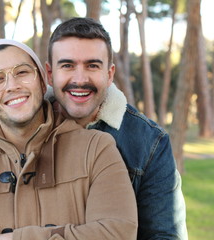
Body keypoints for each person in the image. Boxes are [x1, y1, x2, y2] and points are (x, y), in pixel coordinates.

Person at [0, 39, 138, 240]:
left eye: (22, 72)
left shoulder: (96, 149)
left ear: (42, 82)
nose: (12, 86)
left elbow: (118, 232)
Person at [45, 17, 188, 239]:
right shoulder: (27, 129)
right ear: (50, 74)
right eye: (67, 65)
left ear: (109, 74)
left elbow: (164, 234)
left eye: (92, 65)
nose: (80, 79)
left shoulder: (150, 143)